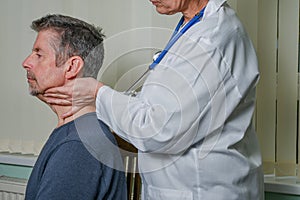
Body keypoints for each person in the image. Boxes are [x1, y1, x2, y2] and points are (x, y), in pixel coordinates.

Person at [44, 0, 264, 199]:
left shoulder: (211, 39)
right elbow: (165, 102)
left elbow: (159, 129)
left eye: (39, 53)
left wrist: (97, 94)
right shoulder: (194, 26)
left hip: (203, 190)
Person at [22, 14, 127, 200]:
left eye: (39, 54)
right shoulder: (78, 133)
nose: (26, 62)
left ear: (72, 67)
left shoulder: (79, 145)